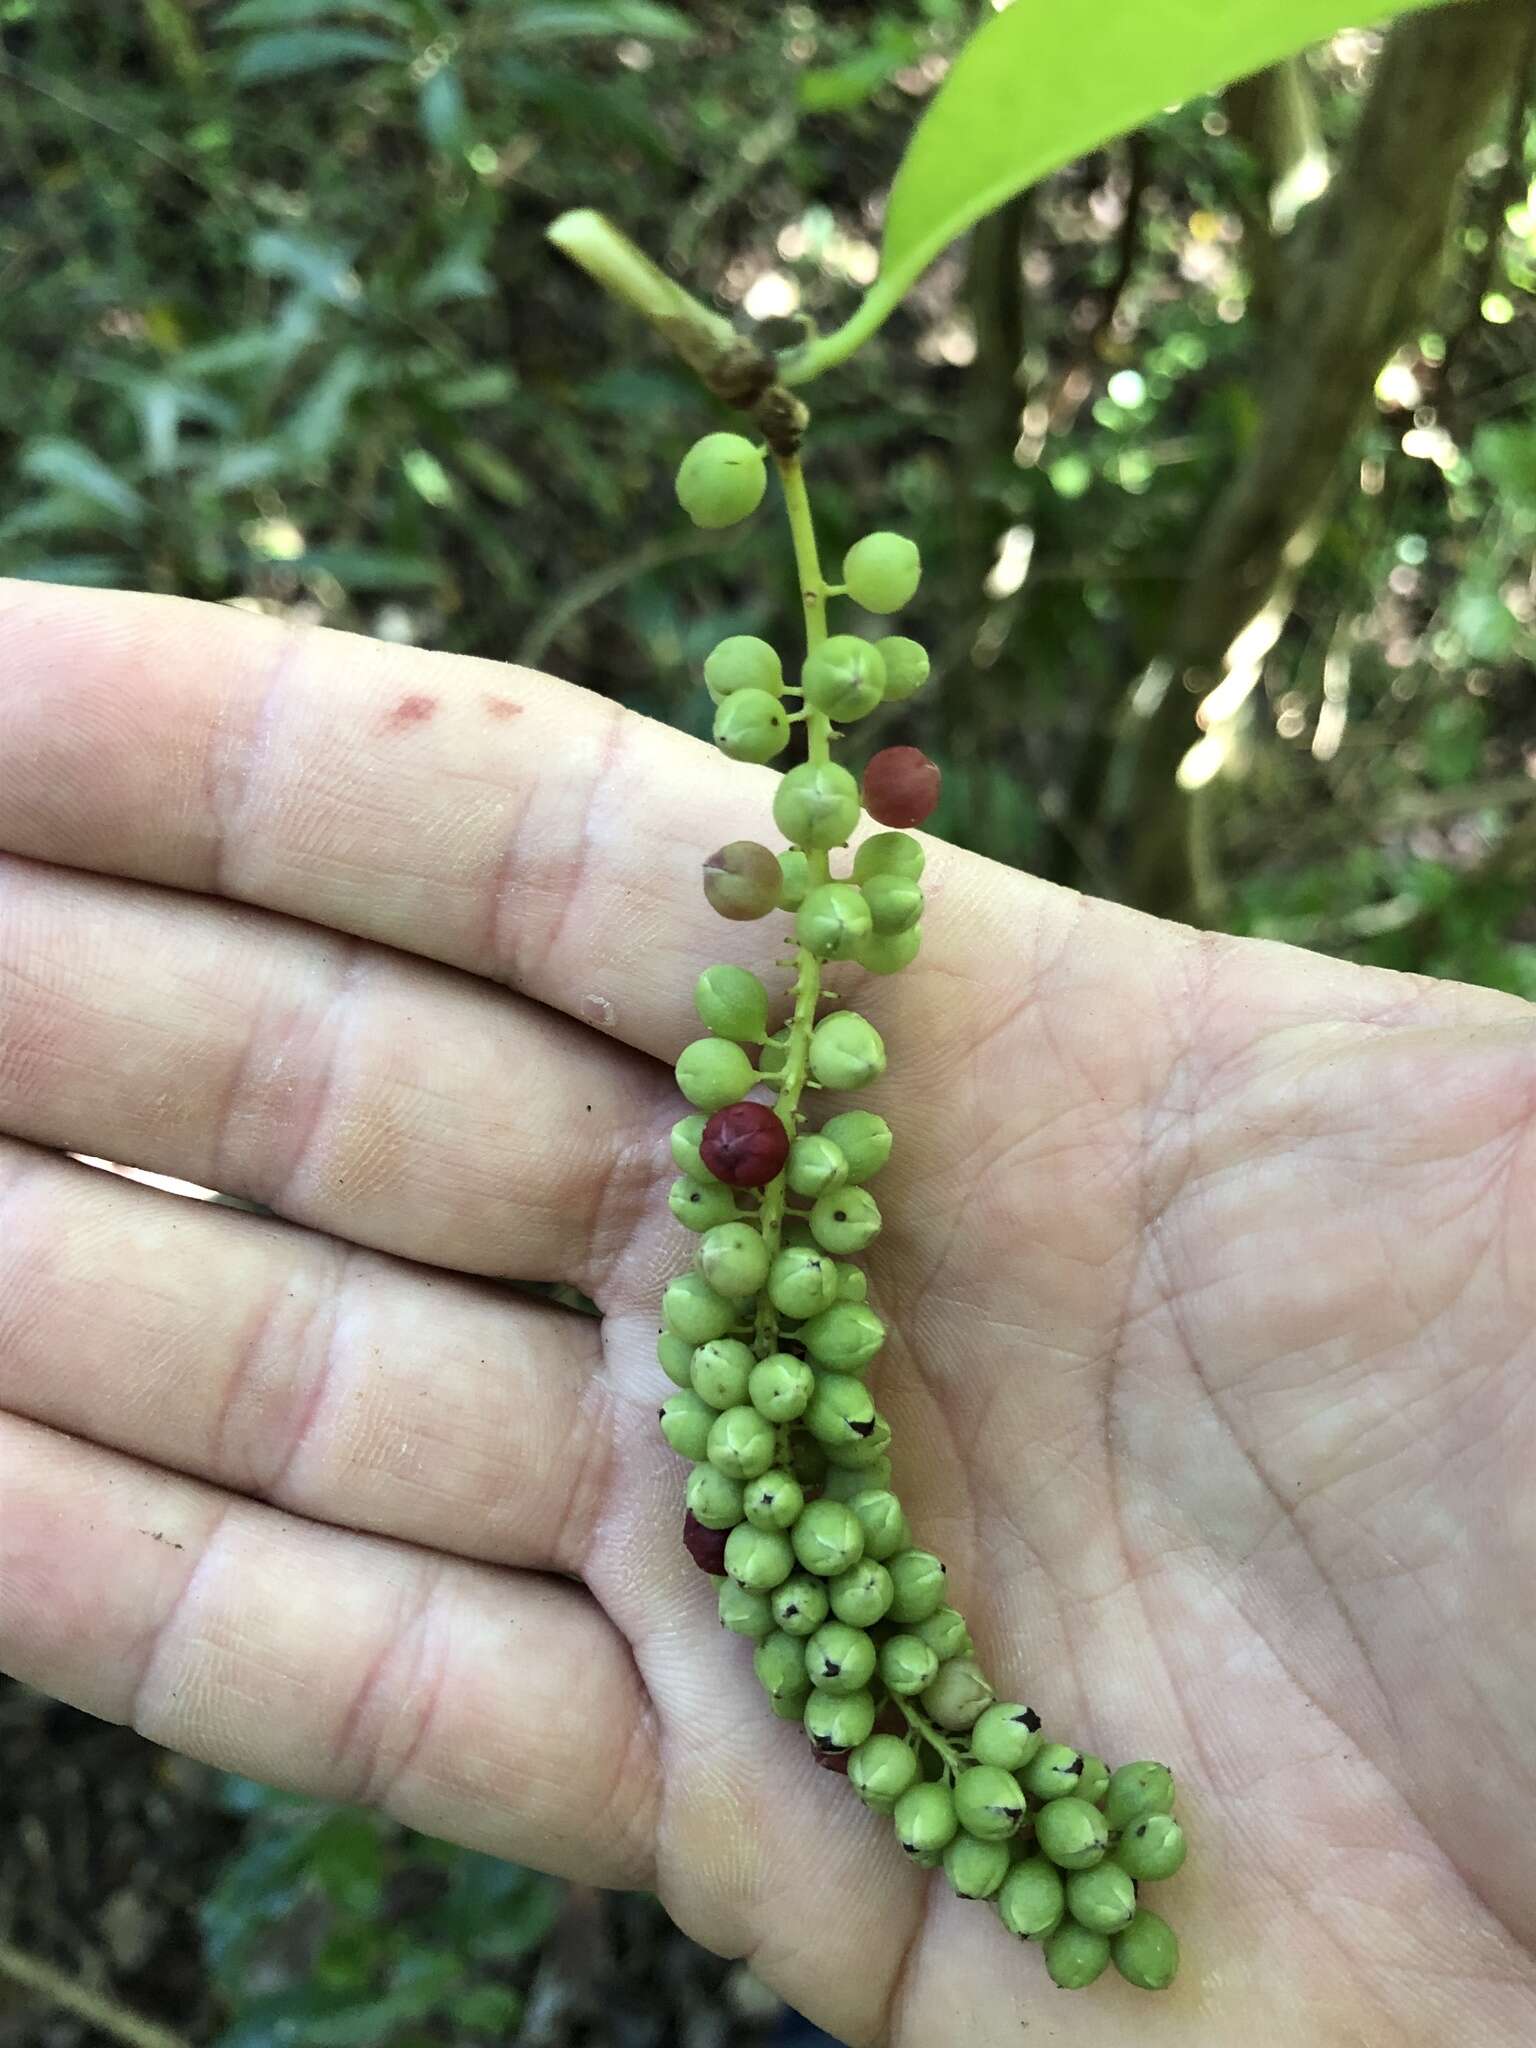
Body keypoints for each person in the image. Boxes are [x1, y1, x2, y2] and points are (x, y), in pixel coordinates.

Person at [0, 579, 1532, 2045]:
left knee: (807, 1525)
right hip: (824, 1443)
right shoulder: (779, 1219)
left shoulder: (798, 1171)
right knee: (802, 1516)